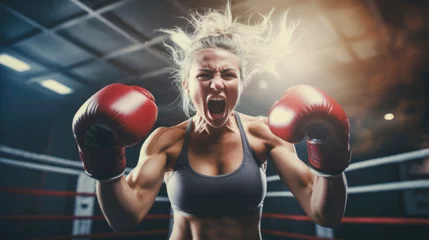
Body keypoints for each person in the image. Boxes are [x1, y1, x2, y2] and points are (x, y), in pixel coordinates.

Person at [72, 3, 350, 240]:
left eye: (228, 75)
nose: (216, 83)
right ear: (186, 85)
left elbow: (324, 213)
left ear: (241, 85)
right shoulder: (167, 140)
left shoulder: (262, 134)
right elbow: (124, 219)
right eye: (204, 75)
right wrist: (103, 159)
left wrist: (327, 153)